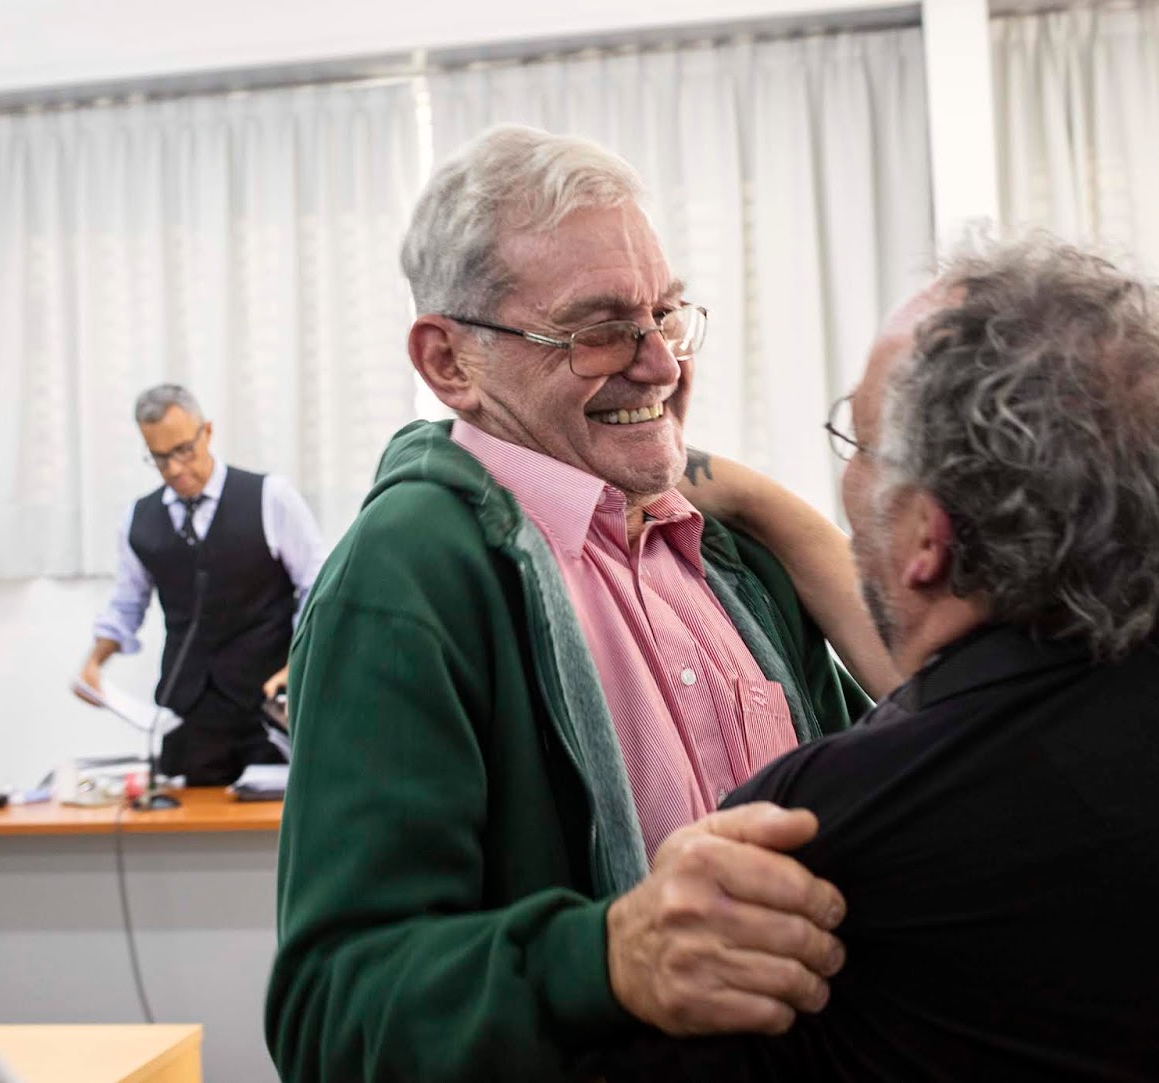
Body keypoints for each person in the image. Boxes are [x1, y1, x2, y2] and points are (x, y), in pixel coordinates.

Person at [598, 237, 1159, 1080]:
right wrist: (758, 499)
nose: (849, 483)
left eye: (858, 444)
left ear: (927, 534)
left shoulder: (814, 822)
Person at [264, 125, 871, 1083]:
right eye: (599, 331)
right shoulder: (405, 578)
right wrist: (606, 960)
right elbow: (333, 1014)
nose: (661, 365)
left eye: (665, 315)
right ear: (450, 362)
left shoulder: (735, 559)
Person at [76, 384, 325, 785]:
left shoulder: (271, 498)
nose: (174, 468)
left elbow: (318, 590)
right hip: (189, 713)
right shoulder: (139, 519)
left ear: (206, 432)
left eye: (183, 451)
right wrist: (93, 663)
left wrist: (296, 666)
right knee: (184, 818)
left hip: (267, 706)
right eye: (159, 458)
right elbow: (127, 605)